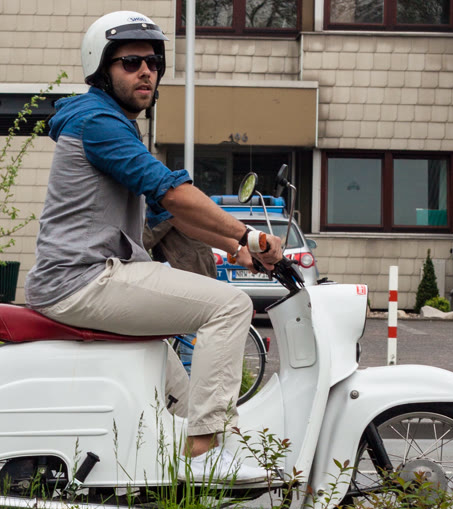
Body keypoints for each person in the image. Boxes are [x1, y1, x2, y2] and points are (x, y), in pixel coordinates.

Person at [24, 11, 283, 484]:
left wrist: (235, 247)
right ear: (102, 69)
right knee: (230, 306)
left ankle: (178, 478)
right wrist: (250, 234)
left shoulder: (115, 124)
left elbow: (168, 214)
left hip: (89, 277)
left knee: (179, 402)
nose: (146, 71)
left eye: (153, 63)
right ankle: (204, 454)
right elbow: (171, 193)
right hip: (83, 279)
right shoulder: (98, 122)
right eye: (131, 62)